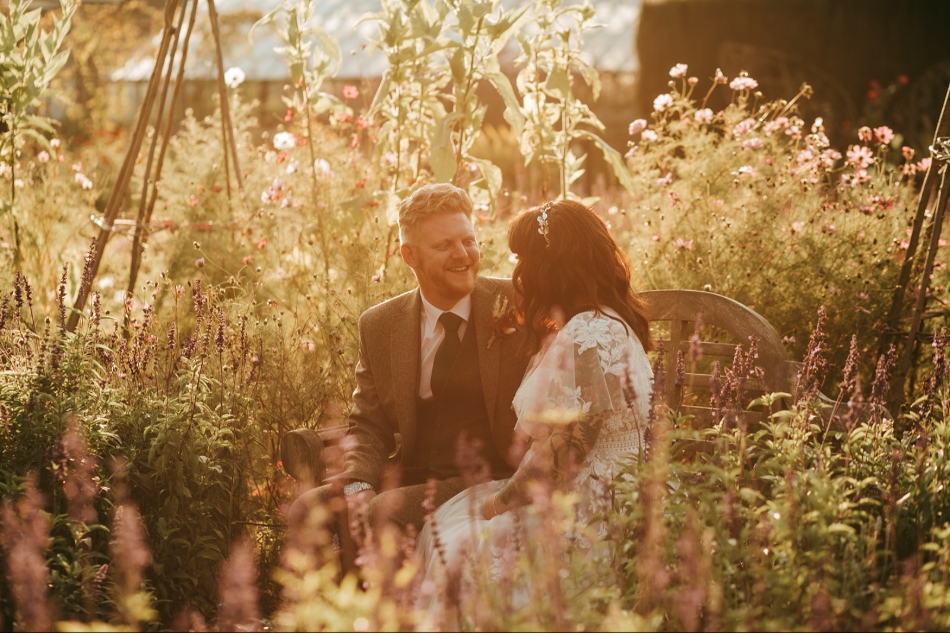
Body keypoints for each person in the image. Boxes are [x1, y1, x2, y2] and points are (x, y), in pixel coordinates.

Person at [415, 199, 655, 620]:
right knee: (455, 528)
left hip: (596, 506)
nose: (517, 272)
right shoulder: (598, 322)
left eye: (523, 259)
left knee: (459, 545)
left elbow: (565, 454)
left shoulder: (589, 333)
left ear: (549, 267)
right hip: (607, 489)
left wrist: (499, 504)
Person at [287, 183, 529, 568]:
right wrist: (358, 483)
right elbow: (368, 424)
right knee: (306, 509)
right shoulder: (381, 325)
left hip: (485, 474)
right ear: (409, 255)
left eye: (469, 241)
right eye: (444, 245)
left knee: (387, 513)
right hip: (407, 475)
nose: (462, 255)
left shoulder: (514, 305)